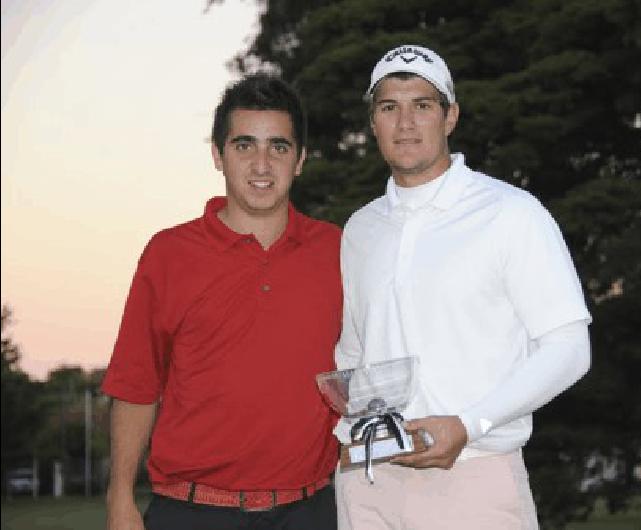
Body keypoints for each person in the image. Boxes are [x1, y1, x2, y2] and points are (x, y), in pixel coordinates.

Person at [333, 44, 593, 529]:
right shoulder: (360, 228)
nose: (405, 123)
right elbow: (353, 355)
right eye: (389, 107)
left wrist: (469, 425)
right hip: (370, 480)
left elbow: (570, 348)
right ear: (373, 123)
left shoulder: (511, 213)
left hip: (472, 472)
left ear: (450, 117)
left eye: (423, 106)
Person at [102, 75, 341, 530]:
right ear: (218, 155)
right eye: (244, 145)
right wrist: (119, 498)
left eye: (279, 147)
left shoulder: (335, 250)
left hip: (309, 510)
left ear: (301, 159)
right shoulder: (169, 254)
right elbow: (136, 383)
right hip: (191, 511)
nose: (262, 165)